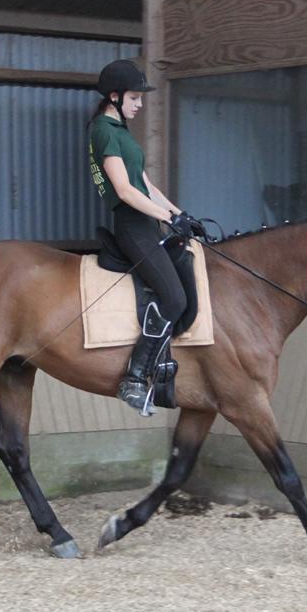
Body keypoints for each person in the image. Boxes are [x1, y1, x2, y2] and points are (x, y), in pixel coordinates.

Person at [88, 59, 204, 413]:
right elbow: (124, 191)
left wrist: (178, 214)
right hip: (132, 227)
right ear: (114, 96)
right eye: (135, 98)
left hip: (147, 223)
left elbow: (146, 185)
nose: (139, 104)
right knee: (173, 298)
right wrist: (167, 218)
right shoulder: (104, 131)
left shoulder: (121, 132)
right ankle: (135, 377)